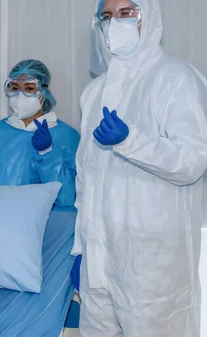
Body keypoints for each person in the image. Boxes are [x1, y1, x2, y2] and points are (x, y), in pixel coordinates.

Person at [73, 0, 207, 335]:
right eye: (106, 16)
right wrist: (81, 249)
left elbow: (193, 161)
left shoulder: (175, 78)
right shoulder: (94, 92)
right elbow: (84, 177)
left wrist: (131, 140)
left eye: (126, 13)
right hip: (98, 259)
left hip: (153, 264)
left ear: (149, 16)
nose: (113, 22)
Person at [0, 59, 80, 210]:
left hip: (45, 227)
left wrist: (47, 154)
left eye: (29, 88)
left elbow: (67, 197)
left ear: (43, 91)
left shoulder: (66, 135)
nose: (20, 95)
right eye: (14, 88)